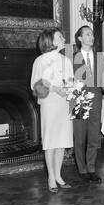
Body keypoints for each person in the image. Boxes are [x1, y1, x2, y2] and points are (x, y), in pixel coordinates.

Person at [30, 28, 74, 193]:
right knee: (50, 141)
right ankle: (50, 177)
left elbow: (70, 81)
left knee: (61, 140)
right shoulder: (40, 61)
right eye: (60, 37)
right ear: (50, 41)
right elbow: (35, 84)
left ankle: (58, 175)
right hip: (49, 103)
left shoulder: (66, 60)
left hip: (64, 102)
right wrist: (55, 88)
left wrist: (70, 89)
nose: (63, 38)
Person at [73, 26, 103, 183]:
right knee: (79, 137)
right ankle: (81, 169)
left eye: (92, 34)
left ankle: (91, 168)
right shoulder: (73, 57)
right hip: (79, 100)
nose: (91, 37)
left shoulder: (99, 57)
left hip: (96, 100)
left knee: (93, 136)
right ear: (79, 38)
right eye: (87, 34)